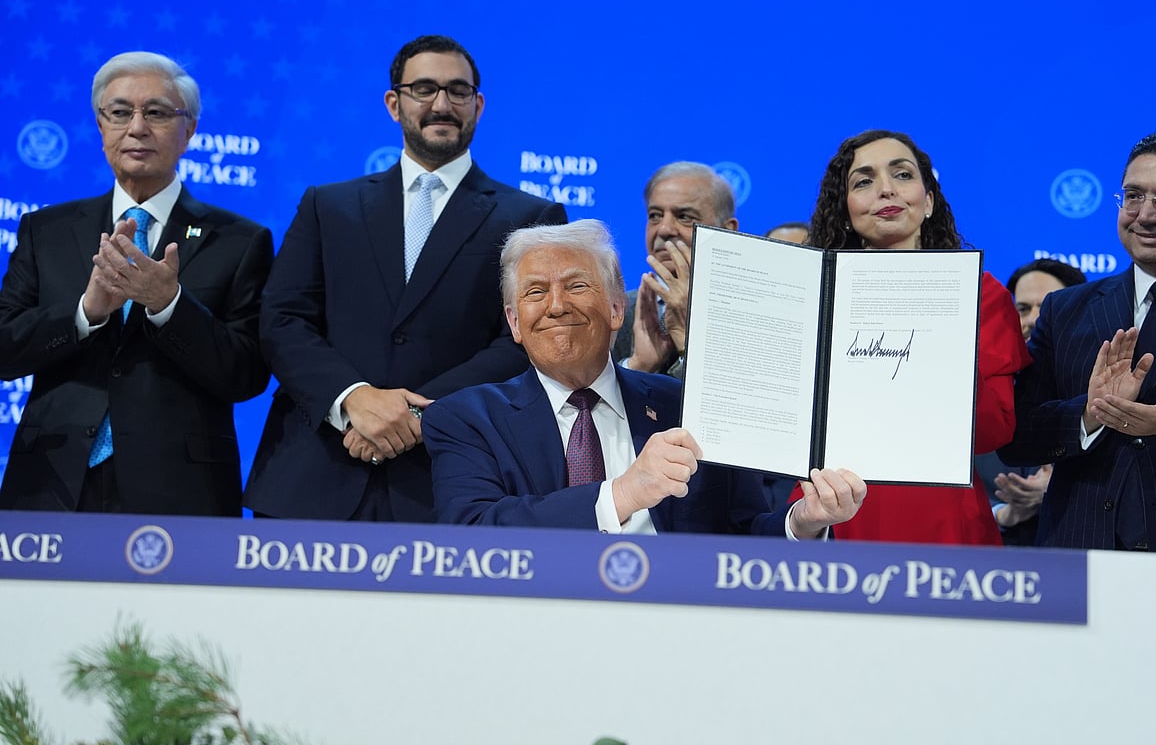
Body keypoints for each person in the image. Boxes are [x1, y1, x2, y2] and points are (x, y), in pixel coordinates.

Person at [244, 35, 566, 522]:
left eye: (458, 91)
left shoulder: (531, 215)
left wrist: (419, 414)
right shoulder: (327, 206)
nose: (442, 104)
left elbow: (525, 339)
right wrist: (353, 399)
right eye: (424, 89)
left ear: (478, 105)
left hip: (451, 481)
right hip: (314, 476)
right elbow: (283, 319)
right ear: (394, 103)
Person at [423, 220, 866, 535]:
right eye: (536, 292)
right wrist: (623, 493)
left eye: (577, 286)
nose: (557, 305)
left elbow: (745, 533)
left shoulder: (690, 407)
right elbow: (472, 533)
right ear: (514, 322)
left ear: (617, 308)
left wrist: (803, 521)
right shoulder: (465, 418)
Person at [0, 51, 274, 515]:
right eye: (120, 112)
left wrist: (169, 305)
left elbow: (247, 374)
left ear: (190, 131)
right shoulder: (44, 230)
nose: (138, 127)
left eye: (158, 113)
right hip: (51, 480)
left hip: (180, 489)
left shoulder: (240, 240)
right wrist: (86, 313)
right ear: (101, 126)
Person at [789, 130, 1030, 545]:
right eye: (863, 181)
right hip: (833, 506)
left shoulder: (981, 293)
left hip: (944, 515)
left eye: (902, 175)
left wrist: (943, 345)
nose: (885, 190)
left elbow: (994, 431)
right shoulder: (812, 295)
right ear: (845, 211)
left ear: (929, 200)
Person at [1000, 129, 1156, 552]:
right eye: (1133, 196)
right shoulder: (1065, 310)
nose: (1146, 214)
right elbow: (1017, 436)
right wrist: (1088, 415)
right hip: (1080, 564)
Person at [981, 259, 1087, 545]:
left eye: (1049, 307)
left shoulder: (1100, 395)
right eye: (1023, 308)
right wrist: (1002, 513)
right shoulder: (981, 397)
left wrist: (1056, 489)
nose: (1033, 320)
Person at [612, 162, 738, 380]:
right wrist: (637, 367)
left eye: (684, 217)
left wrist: (688, 347)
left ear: (727, 231)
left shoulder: (746, 315)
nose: (664, 229)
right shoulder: (617, 311)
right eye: (655, 215)